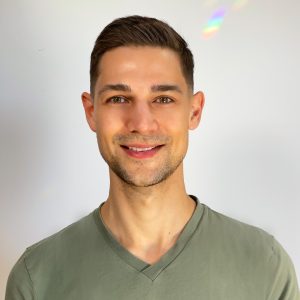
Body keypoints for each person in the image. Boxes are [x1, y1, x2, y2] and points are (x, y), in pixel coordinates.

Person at [5, 15, 299, 300]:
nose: (142, 123)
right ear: (91, 111)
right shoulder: (37, 276)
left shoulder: (264, 266)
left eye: (163, 99)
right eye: (118, 99)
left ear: (194, 111)